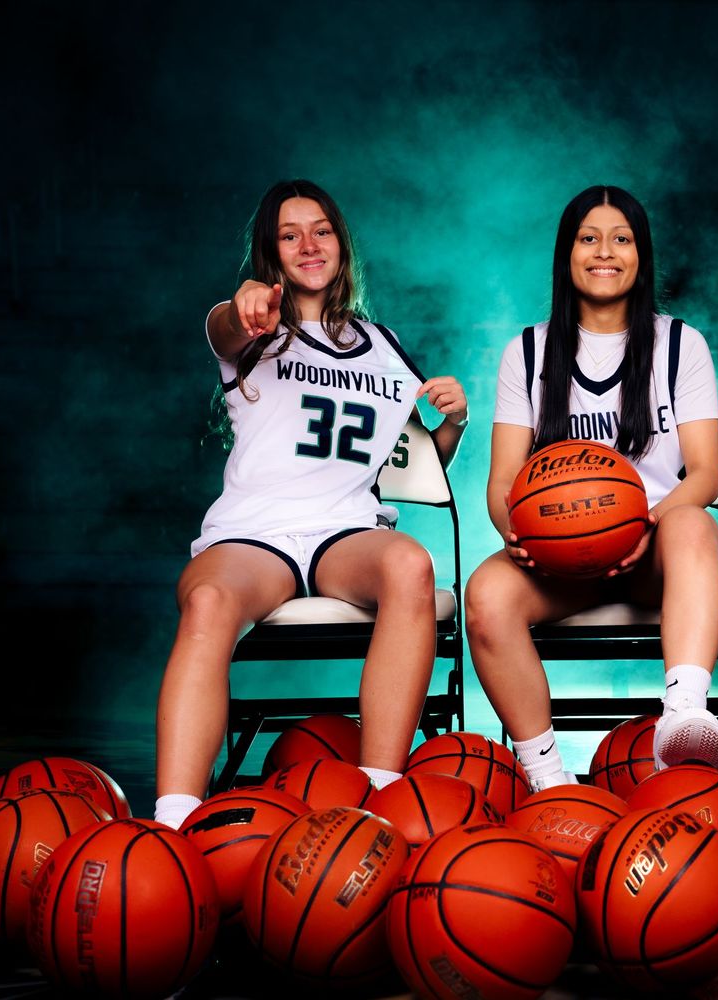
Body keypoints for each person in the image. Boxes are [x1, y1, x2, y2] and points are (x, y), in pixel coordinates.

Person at [152, 179, 468, 829]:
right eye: (289, 234)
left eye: (320, 229)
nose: (308, 244)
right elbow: (224, 327)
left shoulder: (384, 346)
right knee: (207, 601)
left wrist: (453, 427)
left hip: (344, 531)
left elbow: (411, 463)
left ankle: (376, 797)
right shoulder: (250, 325)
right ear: (270, 253)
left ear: (342, 244)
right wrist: (242, 307)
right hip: (254, 534)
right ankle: (175, 822)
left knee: (410, 564)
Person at [465, 185, 718, 792]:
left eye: (621, 239)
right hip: (563, 561)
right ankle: (549, 780)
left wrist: (644, 526)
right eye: (589, 238)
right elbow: (503, 480)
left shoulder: (680, 345)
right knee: (486, 595)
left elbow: (706, 477)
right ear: (567, 254)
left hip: (655, 551)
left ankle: (684, 714)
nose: (604, 252)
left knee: (695, 519)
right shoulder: (527, 351)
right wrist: (515, 531)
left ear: (642, 255)